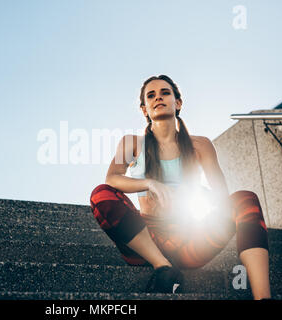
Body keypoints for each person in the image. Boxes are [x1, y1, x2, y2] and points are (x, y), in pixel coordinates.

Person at [89, 75, 271, 299]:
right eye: (151, 95)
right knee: (101, 194)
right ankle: (162, 267)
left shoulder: (201, 145)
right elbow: (112, 179)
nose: (158, 98)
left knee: (245, 199)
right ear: (144, 109)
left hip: (189, 240)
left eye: (165, 93)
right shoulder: (132, 143)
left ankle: (263, 296)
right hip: (146, 239)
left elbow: (221, 196)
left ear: (178, 103)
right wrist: (149, 183)